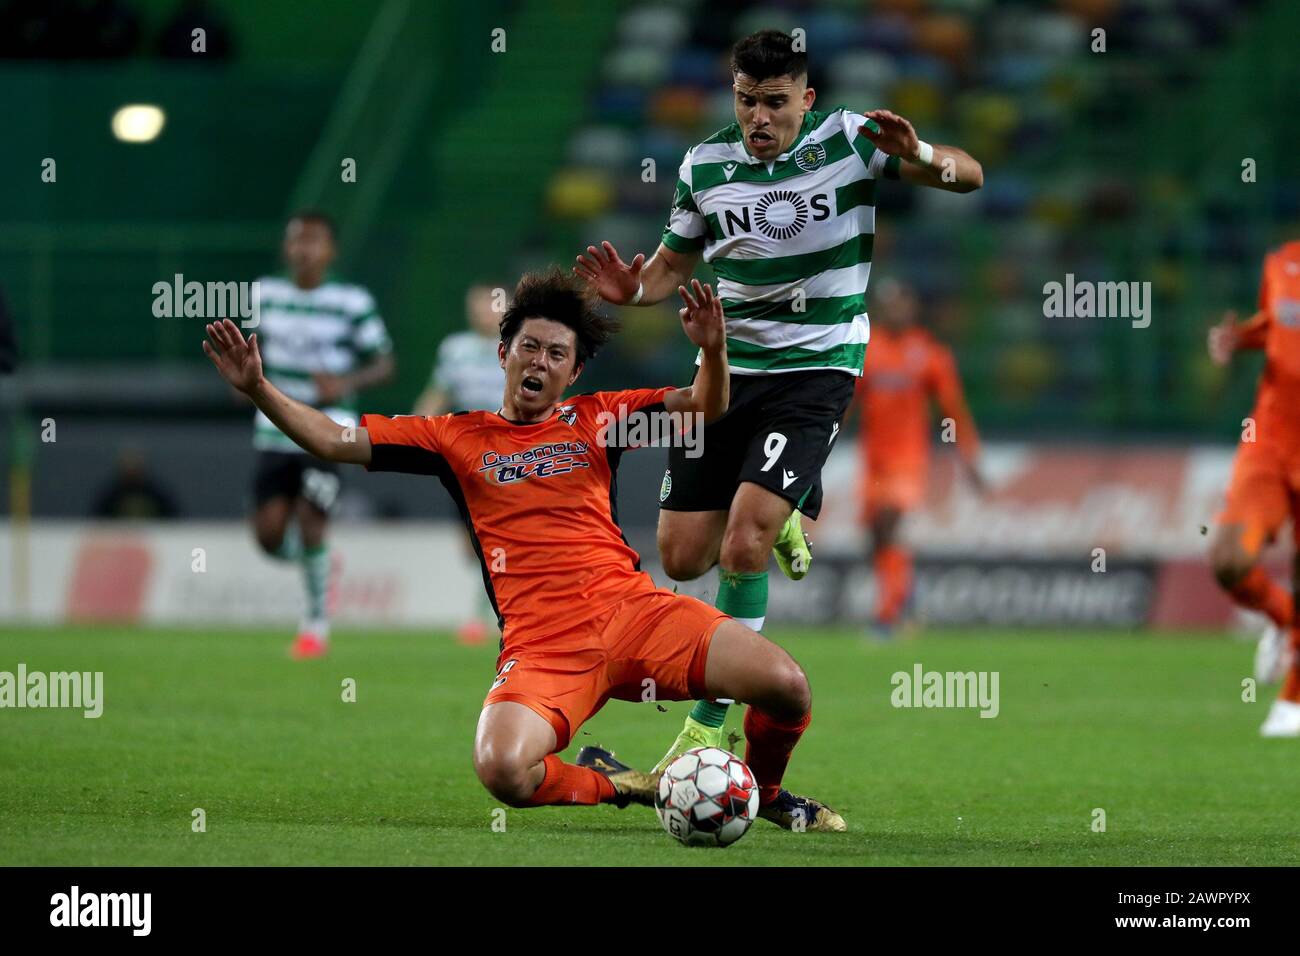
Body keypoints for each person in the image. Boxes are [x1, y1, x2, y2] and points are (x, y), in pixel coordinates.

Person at [201, 268, 845, 830]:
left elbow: (706, 408)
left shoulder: (601, 416)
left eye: (556, 354)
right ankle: (622, 784)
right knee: (502, 768)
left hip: (637, 615)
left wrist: (713, 349)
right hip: (545, 646)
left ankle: (762, 796)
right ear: (503, 353)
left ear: (574, 369)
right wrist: (259, 389)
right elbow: (334, 439)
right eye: (529, 347)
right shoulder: (452, 437)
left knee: (787, 686)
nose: (540, 361)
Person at [574, 28, 983, 770]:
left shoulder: (852, 140)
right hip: (726, 373)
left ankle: (705, 728)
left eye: (774, 102)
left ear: (808, 99)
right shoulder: (705, 164)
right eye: (745, 100)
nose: (758, 117)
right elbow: (669, 268)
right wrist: (631, 291)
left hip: (818, 369)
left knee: (742, 542)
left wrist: (921, 155)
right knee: (681, 555)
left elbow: (971, 177)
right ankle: (786, 506)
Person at [248, 211, 394, 659]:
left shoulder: (351, 301)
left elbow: (385, 363)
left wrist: (345, 384)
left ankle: (314, 625)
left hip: (331, 428)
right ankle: (320, 565)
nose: (302, 249)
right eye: (296, 240)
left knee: (313, 517)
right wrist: (246, 381)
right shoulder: (263, 294)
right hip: (274, 428)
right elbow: (247, 347)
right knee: (269, 534)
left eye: (312, 241)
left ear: (330, 251)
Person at [1206, 239, 1300, 735]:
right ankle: (1282, 615)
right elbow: (1278, 326)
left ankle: (1293, 703)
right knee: (1228, 561)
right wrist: (1239, 338)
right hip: (1269, 442)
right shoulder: (1282, 262)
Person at [855, 279, 983, 634]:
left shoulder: (928, 353)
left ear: (911, 307)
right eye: (888, 304)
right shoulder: (868, 349)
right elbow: (846, 399)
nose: (895, 310)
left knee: (888, 522)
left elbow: (952, 409)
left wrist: (969, 455)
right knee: (876, 536)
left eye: (901, 302)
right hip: (874, 459)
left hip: (908, 458)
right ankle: (906, 596)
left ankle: (887, 615)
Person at [413, 283, 509, 645]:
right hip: (464, 453)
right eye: (477, 306)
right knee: (470, 543)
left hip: (506, 451)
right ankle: (488, 609)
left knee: (492, 535)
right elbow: (439, 392)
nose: (483, 312)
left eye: (490, 305)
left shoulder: (521, 345)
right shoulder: (455, 349)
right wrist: (409, 427)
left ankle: (482, 615)